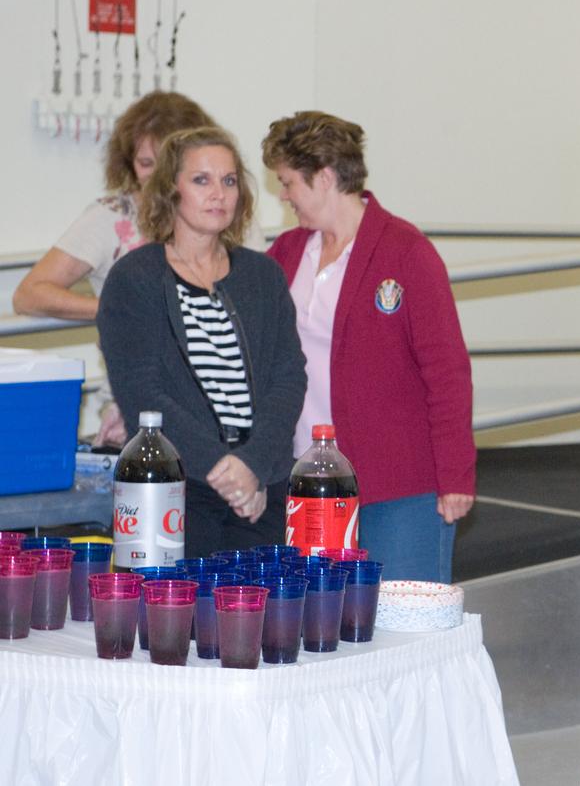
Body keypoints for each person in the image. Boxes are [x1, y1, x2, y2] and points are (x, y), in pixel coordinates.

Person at [263, 111, 475, 583]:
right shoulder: (287, 252)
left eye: (288, 182)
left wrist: (455, 475)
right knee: (321, 618)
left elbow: (447, 373)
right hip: (309, 482)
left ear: (323, 178)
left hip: (399, 484)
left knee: (404, 617)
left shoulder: (407, 251)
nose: (283, 195)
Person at [97, 126, 306, 557]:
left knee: (264, 601)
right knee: (185, 603)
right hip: (179, 489)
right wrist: (226, 472)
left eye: (229, 180)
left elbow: (288, 378)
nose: (219, 194)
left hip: (260, 487)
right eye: (201, 180)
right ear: (170, 190)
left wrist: (252, 466)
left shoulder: (263, 276)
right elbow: (142, 394)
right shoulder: (134, 278)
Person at [14, 92, 216, 445]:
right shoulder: (112, 216)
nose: (156, 176)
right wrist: (116, 309)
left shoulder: (219, 212)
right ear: (128, 163)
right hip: (135, 405)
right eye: (145, 163)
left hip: (212, 404)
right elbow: (30, 294)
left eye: (167, 163)